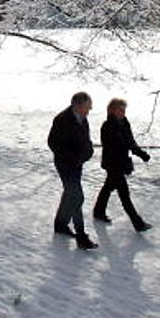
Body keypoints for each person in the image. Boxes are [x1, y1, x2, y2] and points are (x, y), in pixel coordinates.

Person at [47, 91, 98, 250]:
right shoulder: (62, 119)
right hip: (65, 165)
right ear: (78, 105)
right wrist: (72, 157)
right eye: (87, 107)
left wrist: (88, 152)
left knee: (70, 194)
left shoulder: (83, 118)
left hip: (77, 164)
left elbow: (86, 140)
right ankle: (81, 236)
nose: (89, 110)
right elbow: (53, 143)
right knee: (77, 196)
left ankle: (61, 225)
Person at [92, 98, 153, 232]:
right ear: (112, 110)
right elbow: (113, 146)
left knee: (108, 187)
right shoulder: (107, 126)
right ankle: (138, 223)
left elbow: (130, 141)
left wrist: (141, 153)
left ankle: (98, 211)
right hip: (113, 164)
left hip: (121, 162)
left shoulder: (125, 123)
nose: (123, 112)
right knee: (124, 194)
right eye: (120, 109)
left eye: (124, 109)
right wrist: (125, 157)